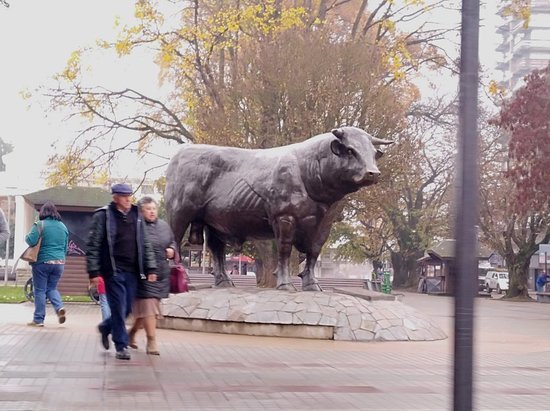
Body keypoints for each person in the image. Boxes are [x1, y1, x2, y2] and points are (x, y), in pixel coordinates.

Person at [86, 183, 157, 360]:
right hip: (113, 270)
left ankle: (105, 328)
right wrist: (94, 271)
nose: (128, 199)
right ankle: (121, 345)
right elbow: (93, 244)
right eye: (124, 196)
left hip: (132, 271)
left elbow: (145, 243)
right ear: (115, 197)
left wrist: (151, 267)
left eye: (130, 195)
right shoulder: (103, 215)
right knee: (118, 308)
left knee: (126, 310)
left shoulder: (136, 215)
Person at [128, 196, 176, 355]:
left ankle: (132, 332)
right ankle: (151, 341)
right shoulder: (136, 227)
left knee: (146, 310)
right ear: (141, 211)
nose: (152, 211)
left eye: (154, 208)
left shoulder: (164, 226)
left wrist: (172, 250)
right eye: (148, 209)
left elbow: (173, 242)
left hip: (161, 274)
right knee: (149, 307)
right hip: (143, 275)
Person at [25, 201, 69, 327]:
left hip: (42, 262)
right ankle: (59, 308)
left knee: (39, 290)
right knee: (52, 288)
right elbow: (65, 248)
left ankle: (38, 319)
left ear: (43, 212)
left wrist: (29, 234)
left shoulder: (40, 225)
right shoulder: (63, 227)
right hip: (59, 263)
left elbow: (30, 240)